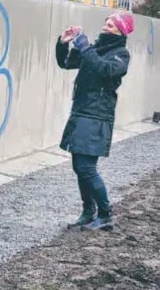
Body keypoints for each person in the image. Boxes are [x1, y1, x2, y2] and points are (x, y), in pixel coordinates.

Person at [56, 12, 134, 232]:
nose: (105, 27)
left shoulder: (121, 54)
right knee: (78, 166)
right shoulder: (97, 49)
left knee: (86, 167)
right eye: (106, 23)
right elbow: (67, 63)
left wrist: (86, 47)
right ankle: (88, 212)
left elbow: (104, 70)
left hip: (97, 117)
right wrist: (64, 44)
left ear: (121, 31)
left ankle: (106, 214)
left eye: (111, 25)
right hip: (81, 113)